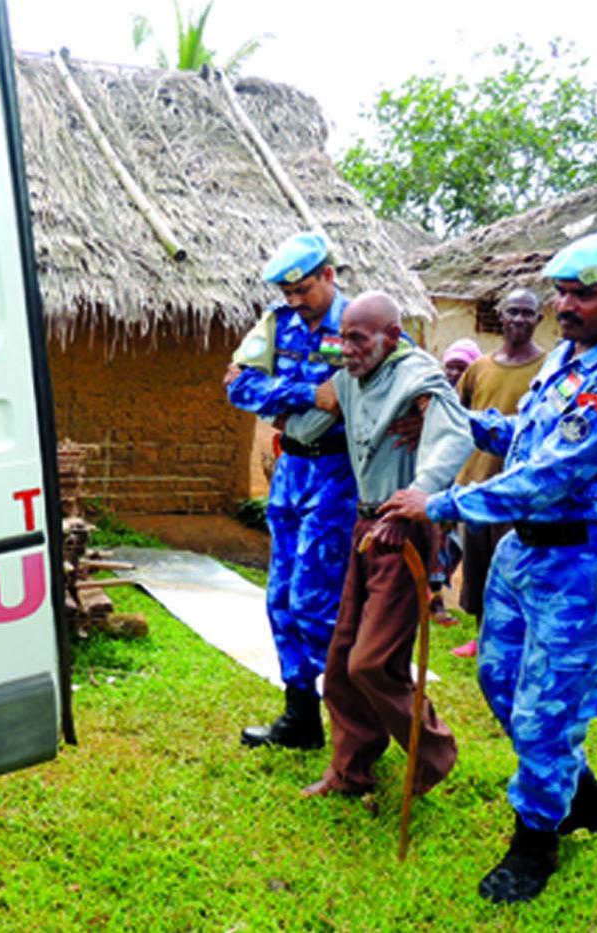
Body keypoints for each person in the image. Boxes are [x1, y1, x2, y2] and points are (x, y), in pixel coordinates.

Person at [386, 230, 597, 904]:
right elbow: (530, 436)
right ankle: (582, 791)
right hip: (524, 552)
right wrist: (458, 422)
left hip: (581, 562)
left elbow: (551, 474)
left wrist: (441, 502)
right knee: (500, 679)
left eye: (584, 295)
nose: (566, 306)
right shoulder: (571, 356)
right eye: (562, 293)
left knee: (547, 709)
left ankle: (535, 843)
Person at [280, 291, 473, 798]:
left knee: (371, 662)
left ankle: (433, 755)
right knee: (342, 660)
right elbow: (307, 427)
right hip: (365, 530)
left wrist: (415, 498)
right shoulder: (350, 378)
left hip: (402, 530)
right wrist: (262, 398)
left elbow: (454, 434)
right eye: (343, 338)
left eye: (359, 339)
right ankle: (350, 771)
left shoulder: (417, 374)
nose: (347, 349)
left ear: (391, 336)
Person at [224, 231, 357, 750]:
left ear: (328, 275)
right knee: (280, 598)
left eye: (303, 290)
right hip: (291, 473)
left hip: (339, 478)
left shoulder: (361, 323)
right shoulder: (277, 325)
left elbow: (397, 388)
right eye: (288, 293)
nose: (295, 301)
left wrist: (288, 399)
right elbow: (238, 385)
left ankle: (354, 723)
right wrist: (308, 394)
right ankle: (300, 718)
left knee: (315, 603)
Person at [449, 289, 548, 659]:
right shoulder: (479, 368)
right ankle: (481, 639)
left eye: (527, 313)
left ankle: (512, 643)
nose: (519, 319)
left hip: (520, 492)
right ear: (500, 316)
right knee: (478, 567)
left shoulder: (548, 369)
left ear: (539, 319)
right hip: (477, 484)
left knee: (513, 571)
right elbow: (458, 417)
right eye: (513, 312)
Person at [427, 339, 484, 628]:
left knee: (454, 546)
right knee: (433, 542)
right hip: (436, 483)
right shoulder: (432, 398)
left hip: (466, 484)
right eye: (450, 367)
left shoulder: (479, 404)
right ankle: (432, 598)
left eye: (462, 369)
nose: (454, 375)